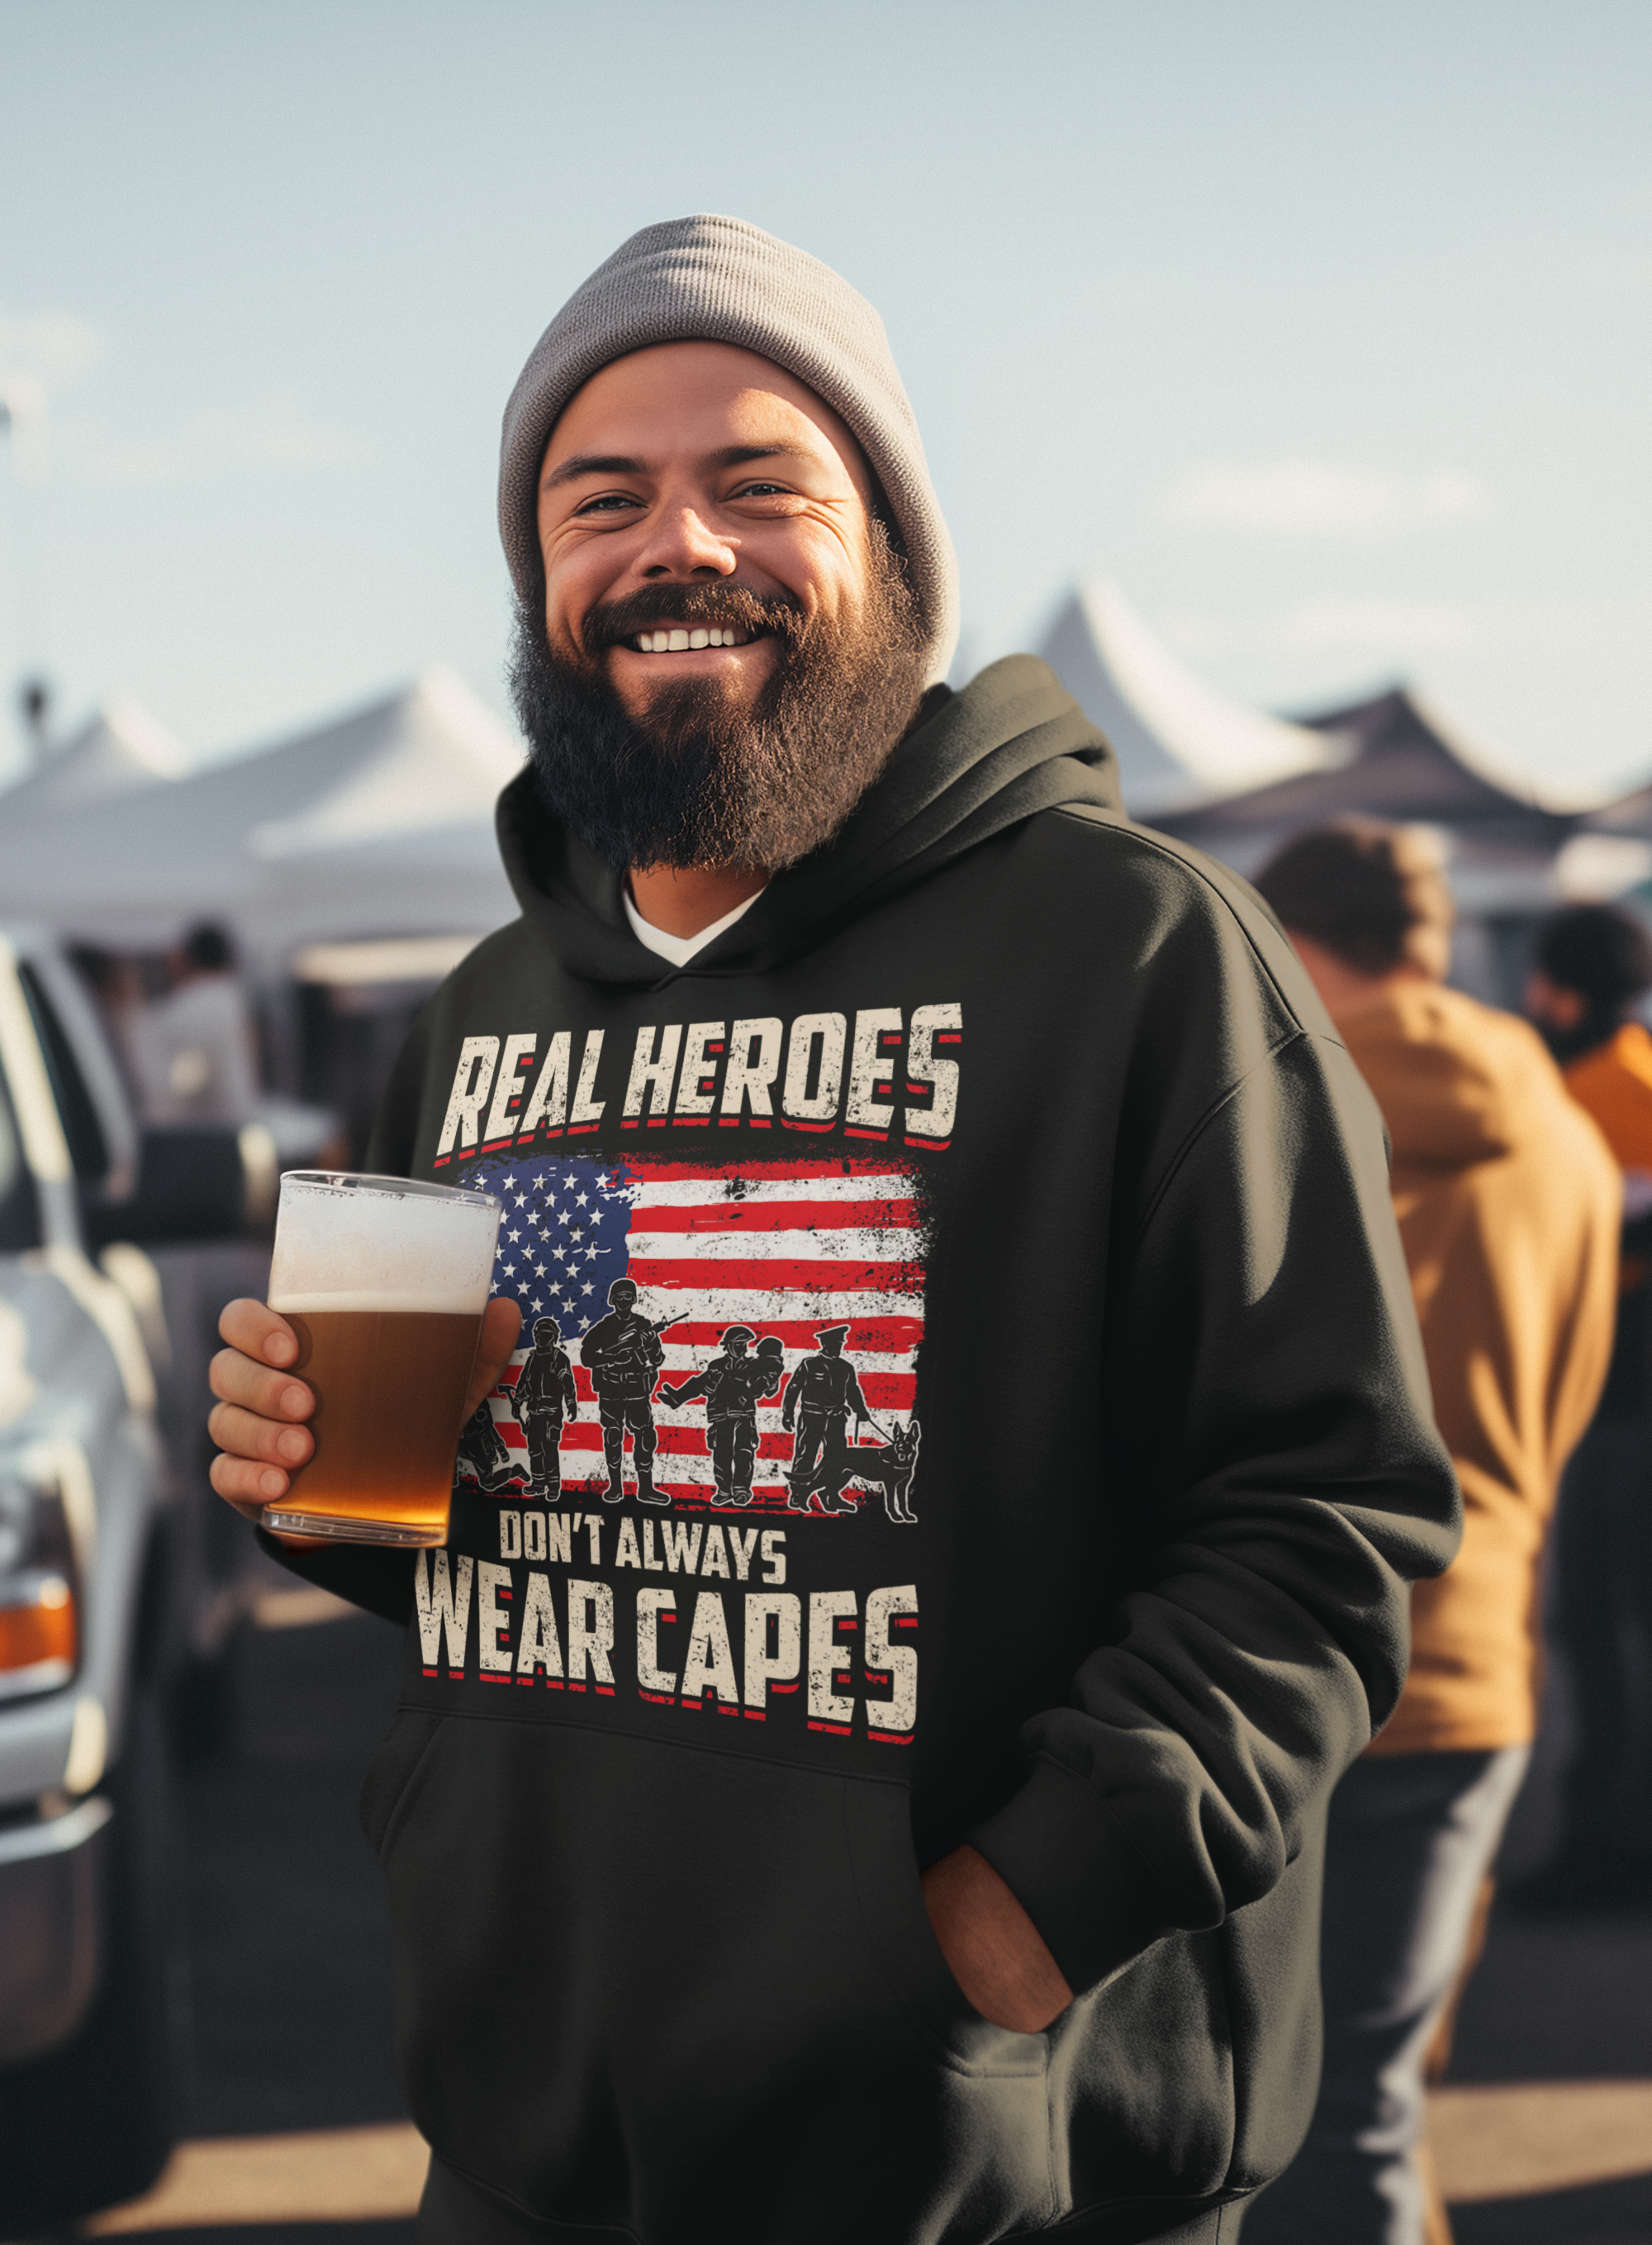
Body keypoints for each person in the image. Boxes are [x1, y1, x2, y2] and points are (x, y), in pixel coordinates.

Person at [206, 216, 1459, 2245]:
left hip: (986, 2167)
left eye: (757, 483)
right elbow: (443, 1539)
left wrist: (1010, 1926)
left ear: (888, 544)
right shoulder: (481, 1011)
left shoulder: (1133, 952)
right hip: (531, 2143)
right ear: (541, 579)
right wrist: (317, 1491)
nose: (676, 544)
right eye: (600, 500)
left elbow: (1322, 1517)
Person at [1244, 822, 1616, 2245]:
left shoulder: (1267, 1107)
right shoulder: (1566, 1128)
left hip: (1274, 1668)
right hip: (1478, 1669)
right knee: (1373, 2102)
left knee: (1273, 2123)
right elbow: (1571, 1393)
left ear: (1287, 942)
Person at [1520, 902, 1652, 1906]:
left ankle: (1611, 1847)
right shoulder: (1635, 1078)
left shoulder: (1577, 1100)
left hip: (1617, 1405)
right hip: (1616, 1402)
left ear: (1563, 993)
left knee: (1605, 1629)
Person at [125, 920, 261, 1126]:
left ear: (181, 959)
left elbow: (158, 1092)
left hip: (193, 1130)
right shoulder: (231, 1000)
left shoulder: (170, 1015)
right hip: (228, 1124)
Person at [659, 1324, 783, 1507]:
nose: (742, 1348)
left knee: (744, 1453)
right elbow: (705, 1388)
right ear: (728, 1345)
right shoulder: (716, 1365)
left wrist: (769, 1376)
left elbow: (769, 1386)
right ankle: (724, 1491)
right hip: (720, 1415)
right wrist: (712, 1383)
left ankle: (741, 1490)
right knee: (722, 1455)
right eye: (738, 1344)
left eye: (744, 1344)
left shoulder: (754, 1365)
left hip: (743, 1415)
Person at [579, 1278, 667, 1506]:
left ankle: (645, 1489)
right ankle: (615, 1488)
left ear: (634, 1299)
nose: (624, 1301)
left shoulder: (643, 1324)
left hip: (637, 1389)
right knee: (613, 1437)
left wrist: (649, 1344)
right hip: (611, 1389)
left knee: (646, 1437)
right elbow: (586, 1356)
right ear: (613, 1300)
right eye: (620, 1297)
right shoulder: (605, 1327)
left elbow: (657, 1358)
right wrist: (612, 1358)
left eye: (628, 1297)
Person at [782, 1322, 874, 1513]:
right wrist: (788, 1412)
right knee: (805, 1456)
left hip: (836, 1419)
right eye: (835, 1344)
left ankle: (831, 1496)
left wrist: (861, 1411)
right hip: (812, 1418)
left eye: (840, 1344)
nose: (839, 1348)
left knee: (837, 1459)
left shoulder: (846, 1367)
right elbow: (793, 1388)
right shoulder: (809, 1364)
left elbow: (853, 1392)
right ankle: (798, 1495)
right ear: (825, 1345)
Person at [515, 1315, 579, 1501]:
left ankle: (553, 1487)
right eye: (540, 1334)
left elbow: (567, 1383)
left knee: (549, 1451)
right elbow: (525, 1384)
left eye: (547, 1335)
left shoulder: (559, 1358)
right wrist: (518, 1402)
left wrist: (571, 1403)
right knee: (534, 1450)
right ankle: (538, 1484)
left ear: (554, 1337)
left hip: (551, 1415)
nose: (542, 1338)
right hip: (534, 1414)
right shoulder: (532, 1359)